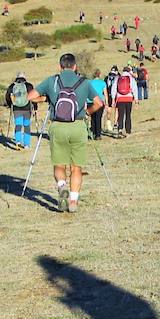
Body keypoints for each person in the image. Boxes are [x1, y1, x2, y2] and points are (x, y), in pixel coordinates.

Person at [29, 53, 104, 213]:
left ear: (60, 66)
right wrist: (88, 112)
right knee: (76, 167)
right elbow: (99, 103)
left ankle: (62, 186)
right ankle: (74, 201)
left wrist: (46, 98)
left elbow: (31, 96)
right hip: (78, 126)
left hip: (58, 127)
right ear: (75, 66)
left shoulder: (52, 81)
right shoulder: (84, 82)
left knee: (59, 164)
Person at [3, 73, 34, 150]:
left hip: (16, 109)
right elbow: (33, 96)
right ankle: (26, 144)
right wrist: (35, 107)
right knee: (26, 126)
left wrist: (10, 105)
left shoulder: (12, 86)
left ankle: (18, 141)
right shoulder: (29, 86)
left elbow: (7, 97)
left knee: (18, 125)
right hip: (27, 109)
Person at [112, 65, 136, 136]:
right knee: (128, 114)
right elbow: (134, 89)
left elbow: (114, 89)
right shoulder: (131, 78)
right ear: (129, 71)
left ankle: (120, 129)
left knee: (121, 114)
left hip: (120, 99)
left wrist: (113, 99)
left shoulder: (118, 78)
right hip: (129, 98)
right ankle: (128, 130)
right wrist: (136, 99)